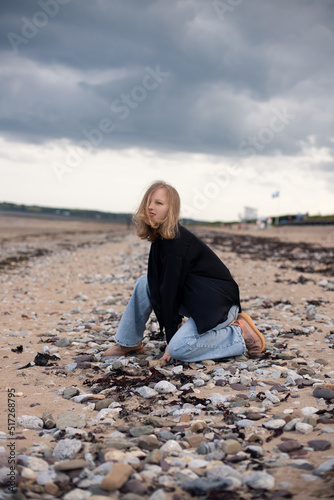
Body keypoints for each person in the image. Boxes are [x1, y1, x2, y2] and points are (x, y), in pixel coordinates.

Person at [103, 181, 265, 362]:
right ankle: (128, 341)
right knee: (145, 282)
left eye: (158, 203)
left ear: (170, 209)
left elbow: (170, 292)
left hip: (219, 307)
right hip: (197, 300)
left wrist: (172, 340)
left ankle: (239, 333)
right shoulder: (161, 238)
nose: (150, 207)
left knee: (179, 350)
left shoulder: (176, 243)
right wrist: (176, 323)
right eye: (148, 202)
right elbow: (163, 285)